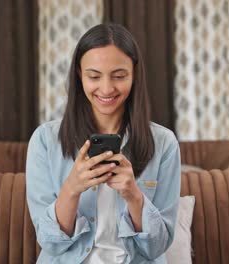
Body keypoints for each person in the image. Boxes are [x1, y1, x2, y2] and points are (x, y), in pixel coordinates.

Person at [26, 23, 181, 263]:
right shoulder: (45, 140)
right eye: (94, 76)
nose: (106, 88)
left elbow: (157, 247)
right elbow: (50, 243)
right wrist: (71, 189)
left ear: (134, 73)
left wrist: (133, 196)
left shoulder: (164, 144)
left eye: (119, 76)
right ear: (79, 74)